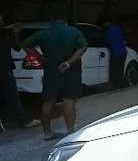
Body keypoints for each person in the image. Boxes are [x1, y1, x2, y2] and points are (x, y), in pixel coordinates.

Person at [25, 11, 87, 140]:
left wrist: (41, 57)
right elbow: (83, 47)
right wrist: (69, 62)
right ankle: (70, 132)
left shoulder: (43, 33)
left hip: (51, 70)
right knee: (68, 101)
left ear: (51, 19)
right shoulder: (74, 32)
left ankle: (47, 133)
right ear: (65, 18)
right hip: (70, 71)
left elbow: (26, 45)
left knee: (48, 101)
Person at [0, 13, 37, 130]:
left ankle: (22, 120)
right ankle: (21, 120)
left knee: (12, 96)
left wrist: (15, 34)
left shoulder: (6, 34)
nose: (2, 22)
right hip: (5, 70)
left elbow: (16, 47)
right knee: (11, 96)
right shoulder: (4, 31)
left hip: (6, 68)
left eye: (2, 20)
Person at [103, 12, 127, 89]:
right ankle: (121, 84)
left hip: (116, 53)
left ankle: (117, 85)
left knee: (115, 70)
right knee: (120, 69)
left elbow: (107, 42)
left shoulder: (109, 31)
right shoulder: (118, 29)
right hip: (123, 52)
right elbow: (122, 40)